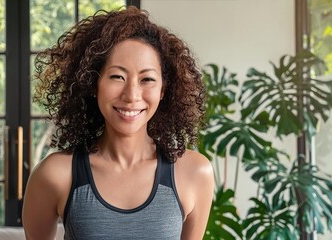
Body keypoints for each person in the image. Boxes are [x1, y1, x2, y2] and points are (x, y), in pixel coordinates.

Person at [22, 6, 214, 240]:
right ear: (93, 83)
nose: (132, 95)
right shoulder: (55, 174)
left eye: (147, 79)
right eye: (117, 76)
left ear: (164, 89)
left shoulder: (195, 172)